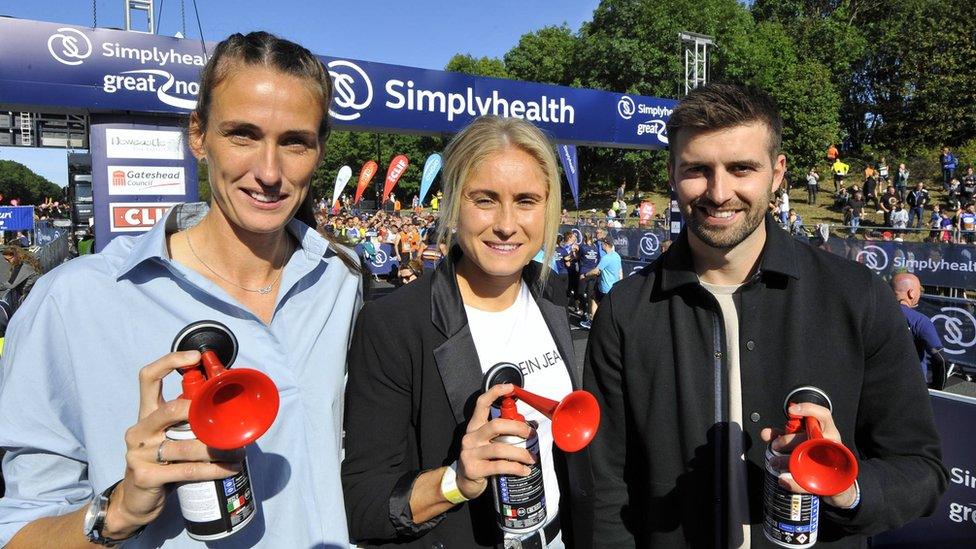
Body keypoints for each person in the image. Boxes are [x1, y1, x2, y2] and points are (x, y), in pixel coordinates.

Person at [0, 32, 363, 547]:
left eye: (294, 141)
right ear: (198, 136)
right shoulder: (74, 301)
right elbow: (17, 533)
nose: (268, 172)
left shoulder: (338, 280)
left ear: (319, 149)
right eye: (242, 134)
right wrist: (120, 510)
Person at [584, 83, 946, 547]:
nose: (719, 192)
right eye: (698, 169)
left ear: (777, 174)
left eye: (741, 168)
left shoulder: (859, 297)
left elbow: (920, 468)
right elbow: (608, 490)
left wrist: (848, 490)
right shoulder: (624, 311)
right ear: (673, 173)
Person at [342, 116, 591, 548]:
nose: (507, 224)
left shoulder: (549, 291)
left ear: (548, 207)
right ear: (455, 202)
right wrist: (455, 480)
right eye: (486, 199)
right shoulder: (394, 323)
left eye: (527, 200)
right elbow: (362, 505)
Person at [892, 273, 948, 390]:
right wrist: (937, 388)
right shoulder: (920, 321)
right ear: (911, 293)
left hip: (876, 384)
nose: (920, 293)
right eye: (919, 290)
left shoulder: (873, 315)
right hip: (912, 387)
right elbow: (940, 358)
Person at [579, 236, 622, 330]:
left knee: (594, 300)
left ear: (606, 245)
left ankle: (592, 322)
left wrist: (585, 275)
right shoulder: (617, 256)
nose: (601, 244)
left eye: (602, 243)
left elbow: (596, 271)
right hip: (614, 287)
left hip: (605, 287)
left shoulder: (606, 258)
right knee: (602, 303)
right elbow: (619, 271)